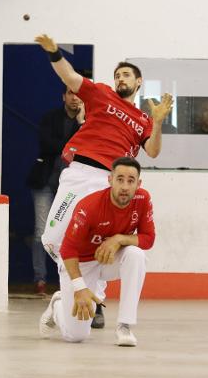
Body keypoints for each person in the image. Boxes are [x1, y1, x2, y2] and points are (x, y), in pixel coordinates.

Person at [34, 34, 172, 328]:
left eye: (126, 75)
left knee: (100, 242)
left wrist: (158, 123)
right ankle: (67, 295)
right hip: (79, 173)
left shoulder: (144, 120)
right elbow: (70, 77)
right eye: (117, 75)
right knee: (53, 240)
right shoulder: (101, 94)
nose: (120, 78)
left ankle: (95, 300)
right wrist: (54, 53)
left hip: (110, 182)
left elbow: (154, 151)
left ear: (138, 82)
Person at [39, 157, 155, 347]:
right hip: (80, 263)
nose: (125, 186)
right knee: (76, 336)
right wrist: (79, 287)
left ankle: (124, 326)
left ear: (138, 184)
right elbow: (67, 248)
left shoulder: (143, 199)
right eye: (120, 179)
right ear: (110, 180)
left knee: (136, 255)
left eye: (131, 181)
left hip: (108, 261)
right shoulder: (89, 206)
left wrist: (119, 239)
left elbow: (148, 238)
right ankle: (58, 305)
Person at [27, 87, 85, 295]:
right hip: (45, 182)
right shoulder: (50, 118)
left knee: (70, 233)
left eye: (78, 94)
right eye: (70, 93)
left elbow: (84, 149)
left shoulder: (87, 123)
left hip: (71, 187)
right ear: (63, 96)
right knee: (41, 231)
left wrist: (81, 123)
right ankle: (40, 279)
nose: (74, 97)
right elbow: (49, 145)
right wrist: (74, 137)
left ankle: (68, 279)